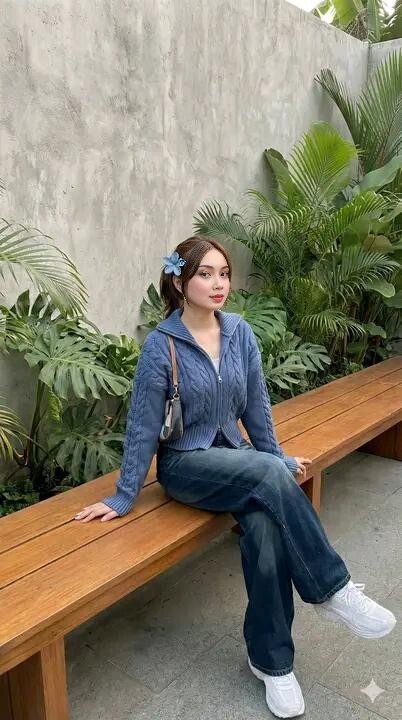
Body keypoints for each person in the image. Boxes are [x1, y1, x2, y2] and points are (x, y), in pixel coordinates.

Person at [74, 235, 396, 718]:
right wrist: (123, 496)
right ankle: (332, 589)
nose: (218, 283)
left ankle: (272, 663)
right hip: (186, 465)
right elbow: (142, 426)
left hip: (240, 460)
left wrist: (275, 456)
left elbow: (256, 408)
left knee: (265, 532)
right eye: (205, 274)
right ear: (179, 281)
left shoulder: (240, 333)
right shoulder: (162, 347)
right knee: (266, 475)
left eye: (223, 273)